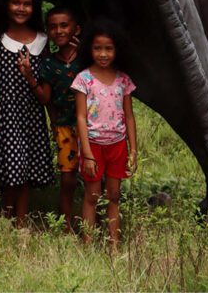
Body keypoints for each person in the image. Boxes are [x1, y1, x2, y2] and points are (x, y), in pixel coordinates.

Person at [0, 0, 55, 225]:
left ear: (34, 7)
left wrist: (53, 120)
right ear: (6, 5)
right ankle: (5, 220)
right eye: (16, 2)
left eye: (27, 4)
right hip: (5, 116)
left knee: (25, 174)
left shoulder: (42, 42)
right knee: (11, 172)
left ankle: (20, 224)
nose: (21, 8)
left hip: (31, 116)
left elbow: (47, 83)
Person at [71, 22, 137, 251]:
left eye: (108, 48)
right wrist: (86, 153)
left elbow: (129, 117)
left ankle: (114, 245)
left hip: (117, 145)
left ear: (117, 50)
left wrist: (134, 150)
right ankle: (88, 244)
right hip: (94, 145)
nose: (103, 54)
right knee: (92, 195)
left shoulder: (123, 80)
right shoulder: (83, 79)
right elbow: (80, 117)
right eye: (98, 48)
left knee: (114, 195)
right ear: (89, 49)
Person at [32, 5, 86, 232]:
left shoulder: (86, 59)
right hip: (64, 127)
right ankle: (67, 224)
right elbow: (45, 97)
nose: (59, 31)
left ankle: (96, 221)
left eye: (64, 25)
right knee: (67, 177)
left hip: (92, 128)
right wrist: (28, 76)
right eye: (53, 27)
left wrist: (84, 52)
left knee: (95, 175)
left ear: (76, 29)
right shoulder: (48, 64)